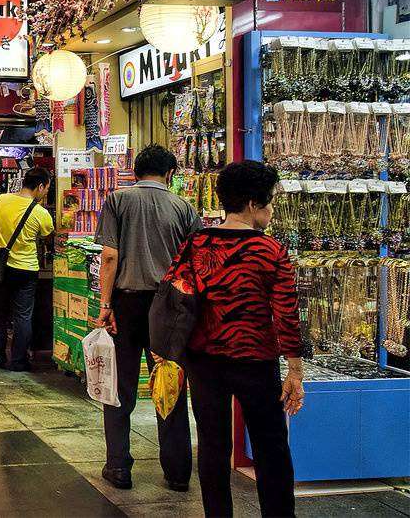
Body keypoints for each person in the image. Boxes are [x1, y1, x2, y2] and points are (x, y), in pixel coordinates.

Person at [162, 161, 304, 517]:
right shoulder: (270, 251)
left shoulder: (196, 243)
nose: (271, 210)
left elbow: (175, 292)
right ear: (254, 205)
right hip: (255, 360)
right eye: (270, 201)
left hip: (203, 359)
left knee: (212, 444)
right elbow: (286, 314)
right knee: (271, 446)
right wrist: (295, 370)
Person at [94, 144, 200, 492]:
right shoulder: (183, 207)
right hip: (169, 308)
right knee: (168, 384)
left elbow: (110, 257)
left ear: (136, 171)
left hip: (126, 305)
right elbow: (195, 263)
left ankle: (119, 466)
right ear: (169, 173)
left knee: (120, 386)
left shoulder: (118, 200)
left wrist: (105, 304)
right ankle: (178, 472)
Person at [0, 167, 55, 371]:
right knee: (22, 316)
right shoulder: (41, 213)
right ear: (40, 186)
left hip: (0, 269)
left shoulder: (0, 200)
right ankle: (18, 361)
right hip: (26, 269)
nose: (45, 193)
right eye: (46, 189)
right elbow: (47, 236)